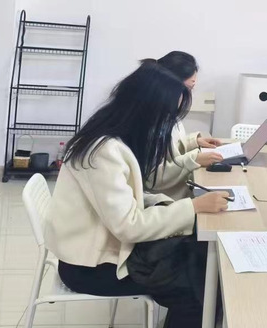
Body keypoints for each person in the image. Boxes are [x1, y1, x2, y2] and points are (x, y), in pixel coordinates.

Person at [45, 61, 230, 328]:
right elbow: (129, 227)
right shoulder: (103, 151)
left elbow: (134, 195)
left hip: (111, 247)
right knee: (200, 289)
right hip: (91, 267)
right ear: (147, 110)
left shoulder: (114, 136)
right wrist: (192, 208)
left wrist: (181, 206)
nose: (168, 125)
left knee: (202, 261)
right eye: (167, 116)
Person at [149, 51, 223, 199]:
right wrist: (193, 159)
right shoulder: (150, 120)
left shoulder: (167, 113)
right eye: (188, 89)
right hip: (165, 199)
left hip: (179, 192)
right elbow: (152, 178)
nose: (189, 95)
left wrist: (194, 142)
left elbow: (170, 148)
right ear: (169, 85)